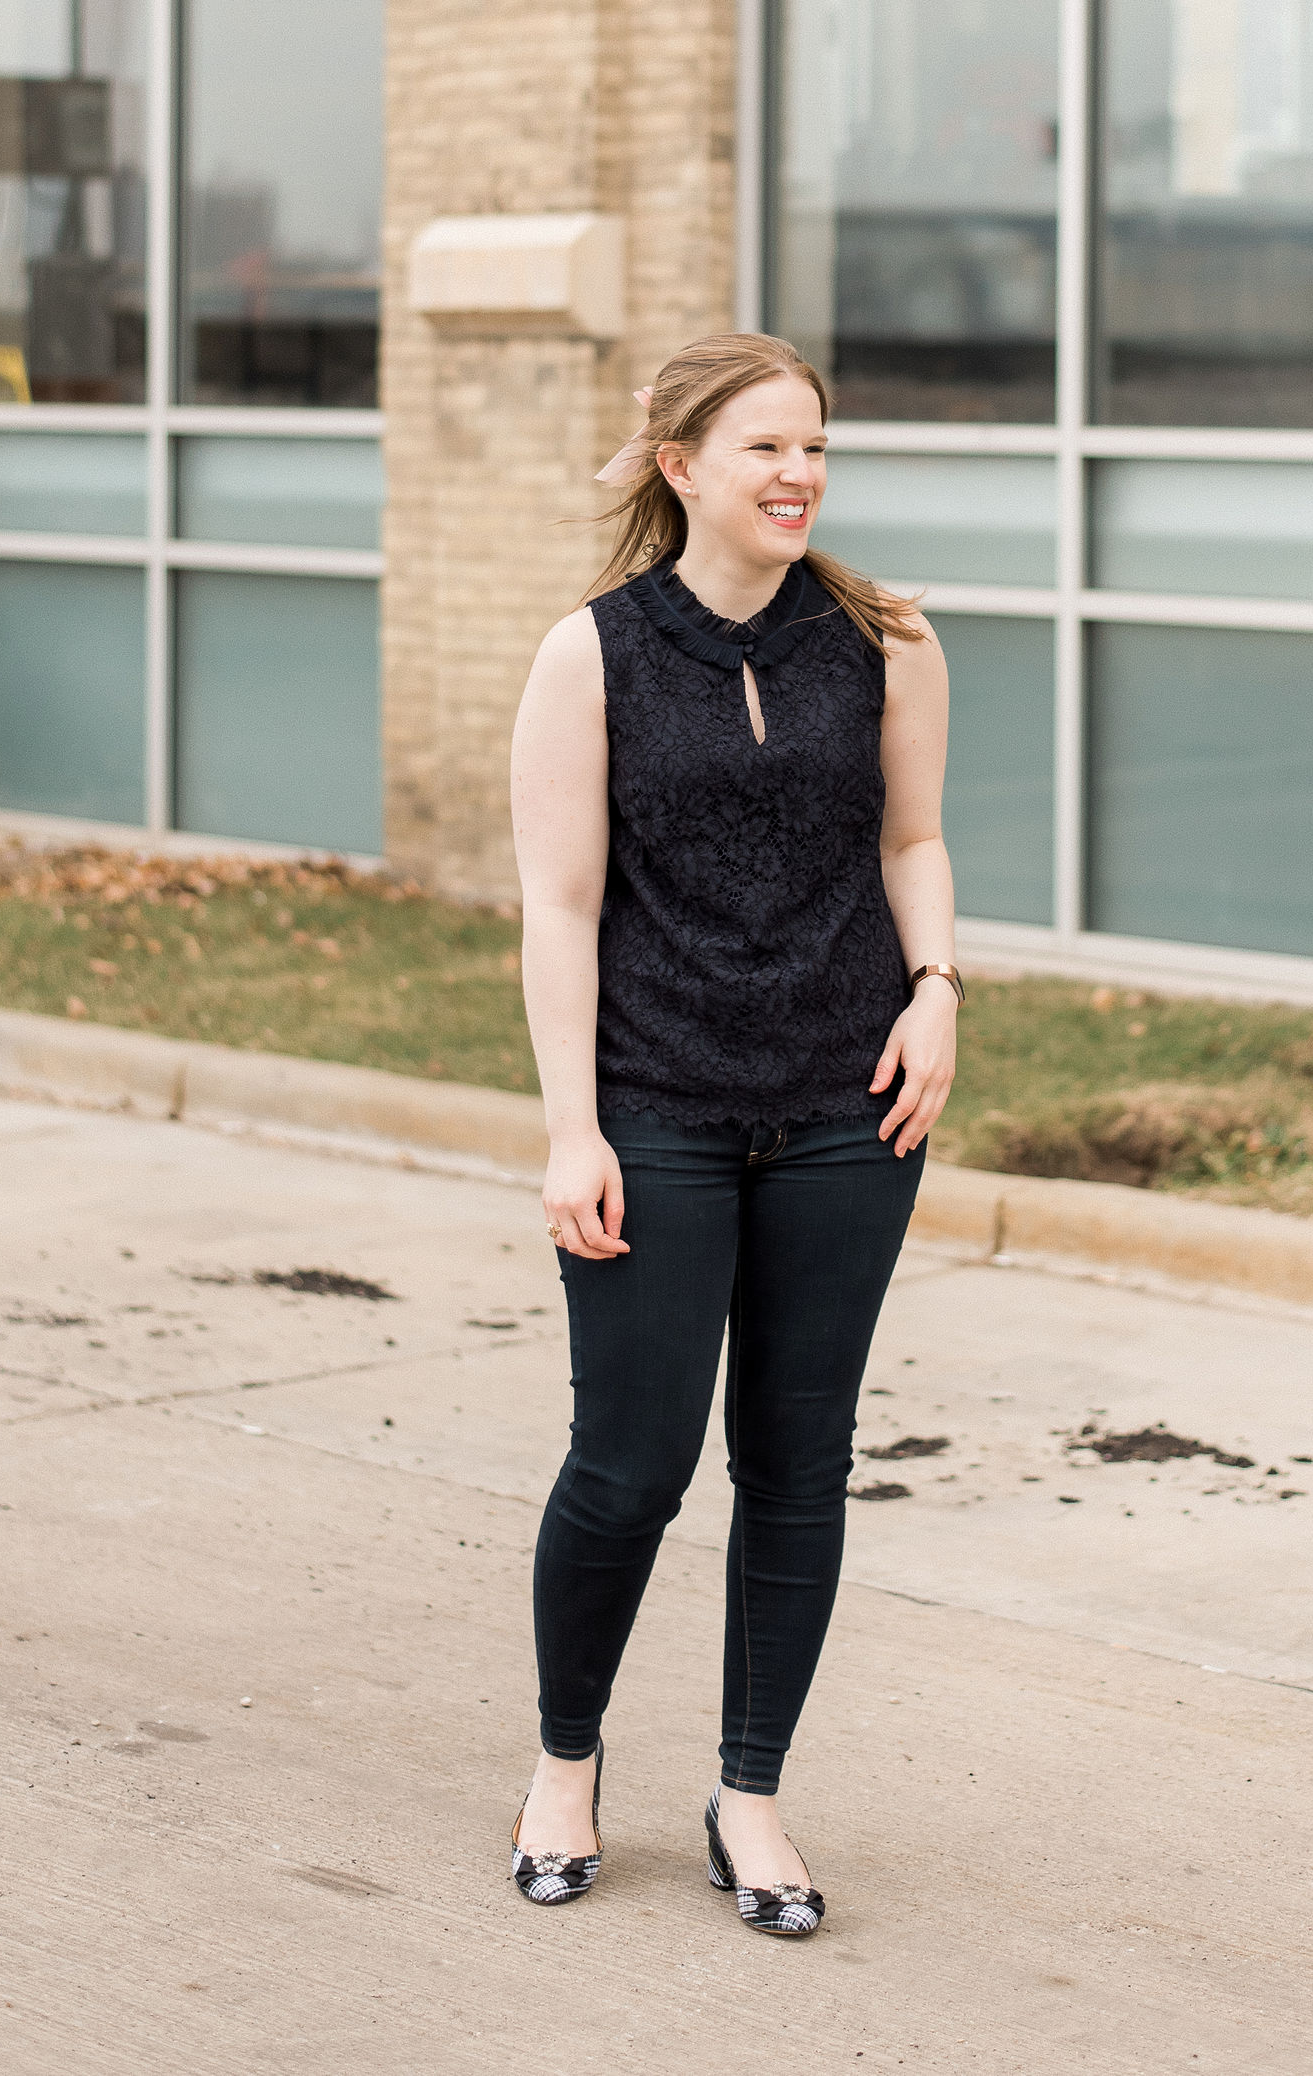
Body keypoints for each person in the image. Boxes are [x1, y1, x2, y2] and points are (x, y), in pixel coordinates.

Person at [505, 330, 959, 1936]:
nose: (799, 475)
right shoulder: (597, 653)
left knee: (799, 1467)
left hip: (851, 1108)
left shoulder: (886, 638)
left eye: (816, 446)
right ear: (683, 466)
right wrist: (576, 1131)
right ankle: (566, 1765)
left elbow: (913, 836)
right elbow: (558, 912)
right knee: (630, 1466)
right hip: (658, 1109)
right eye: (765, 447)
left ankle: (749, 1796)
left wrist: (940, 988)